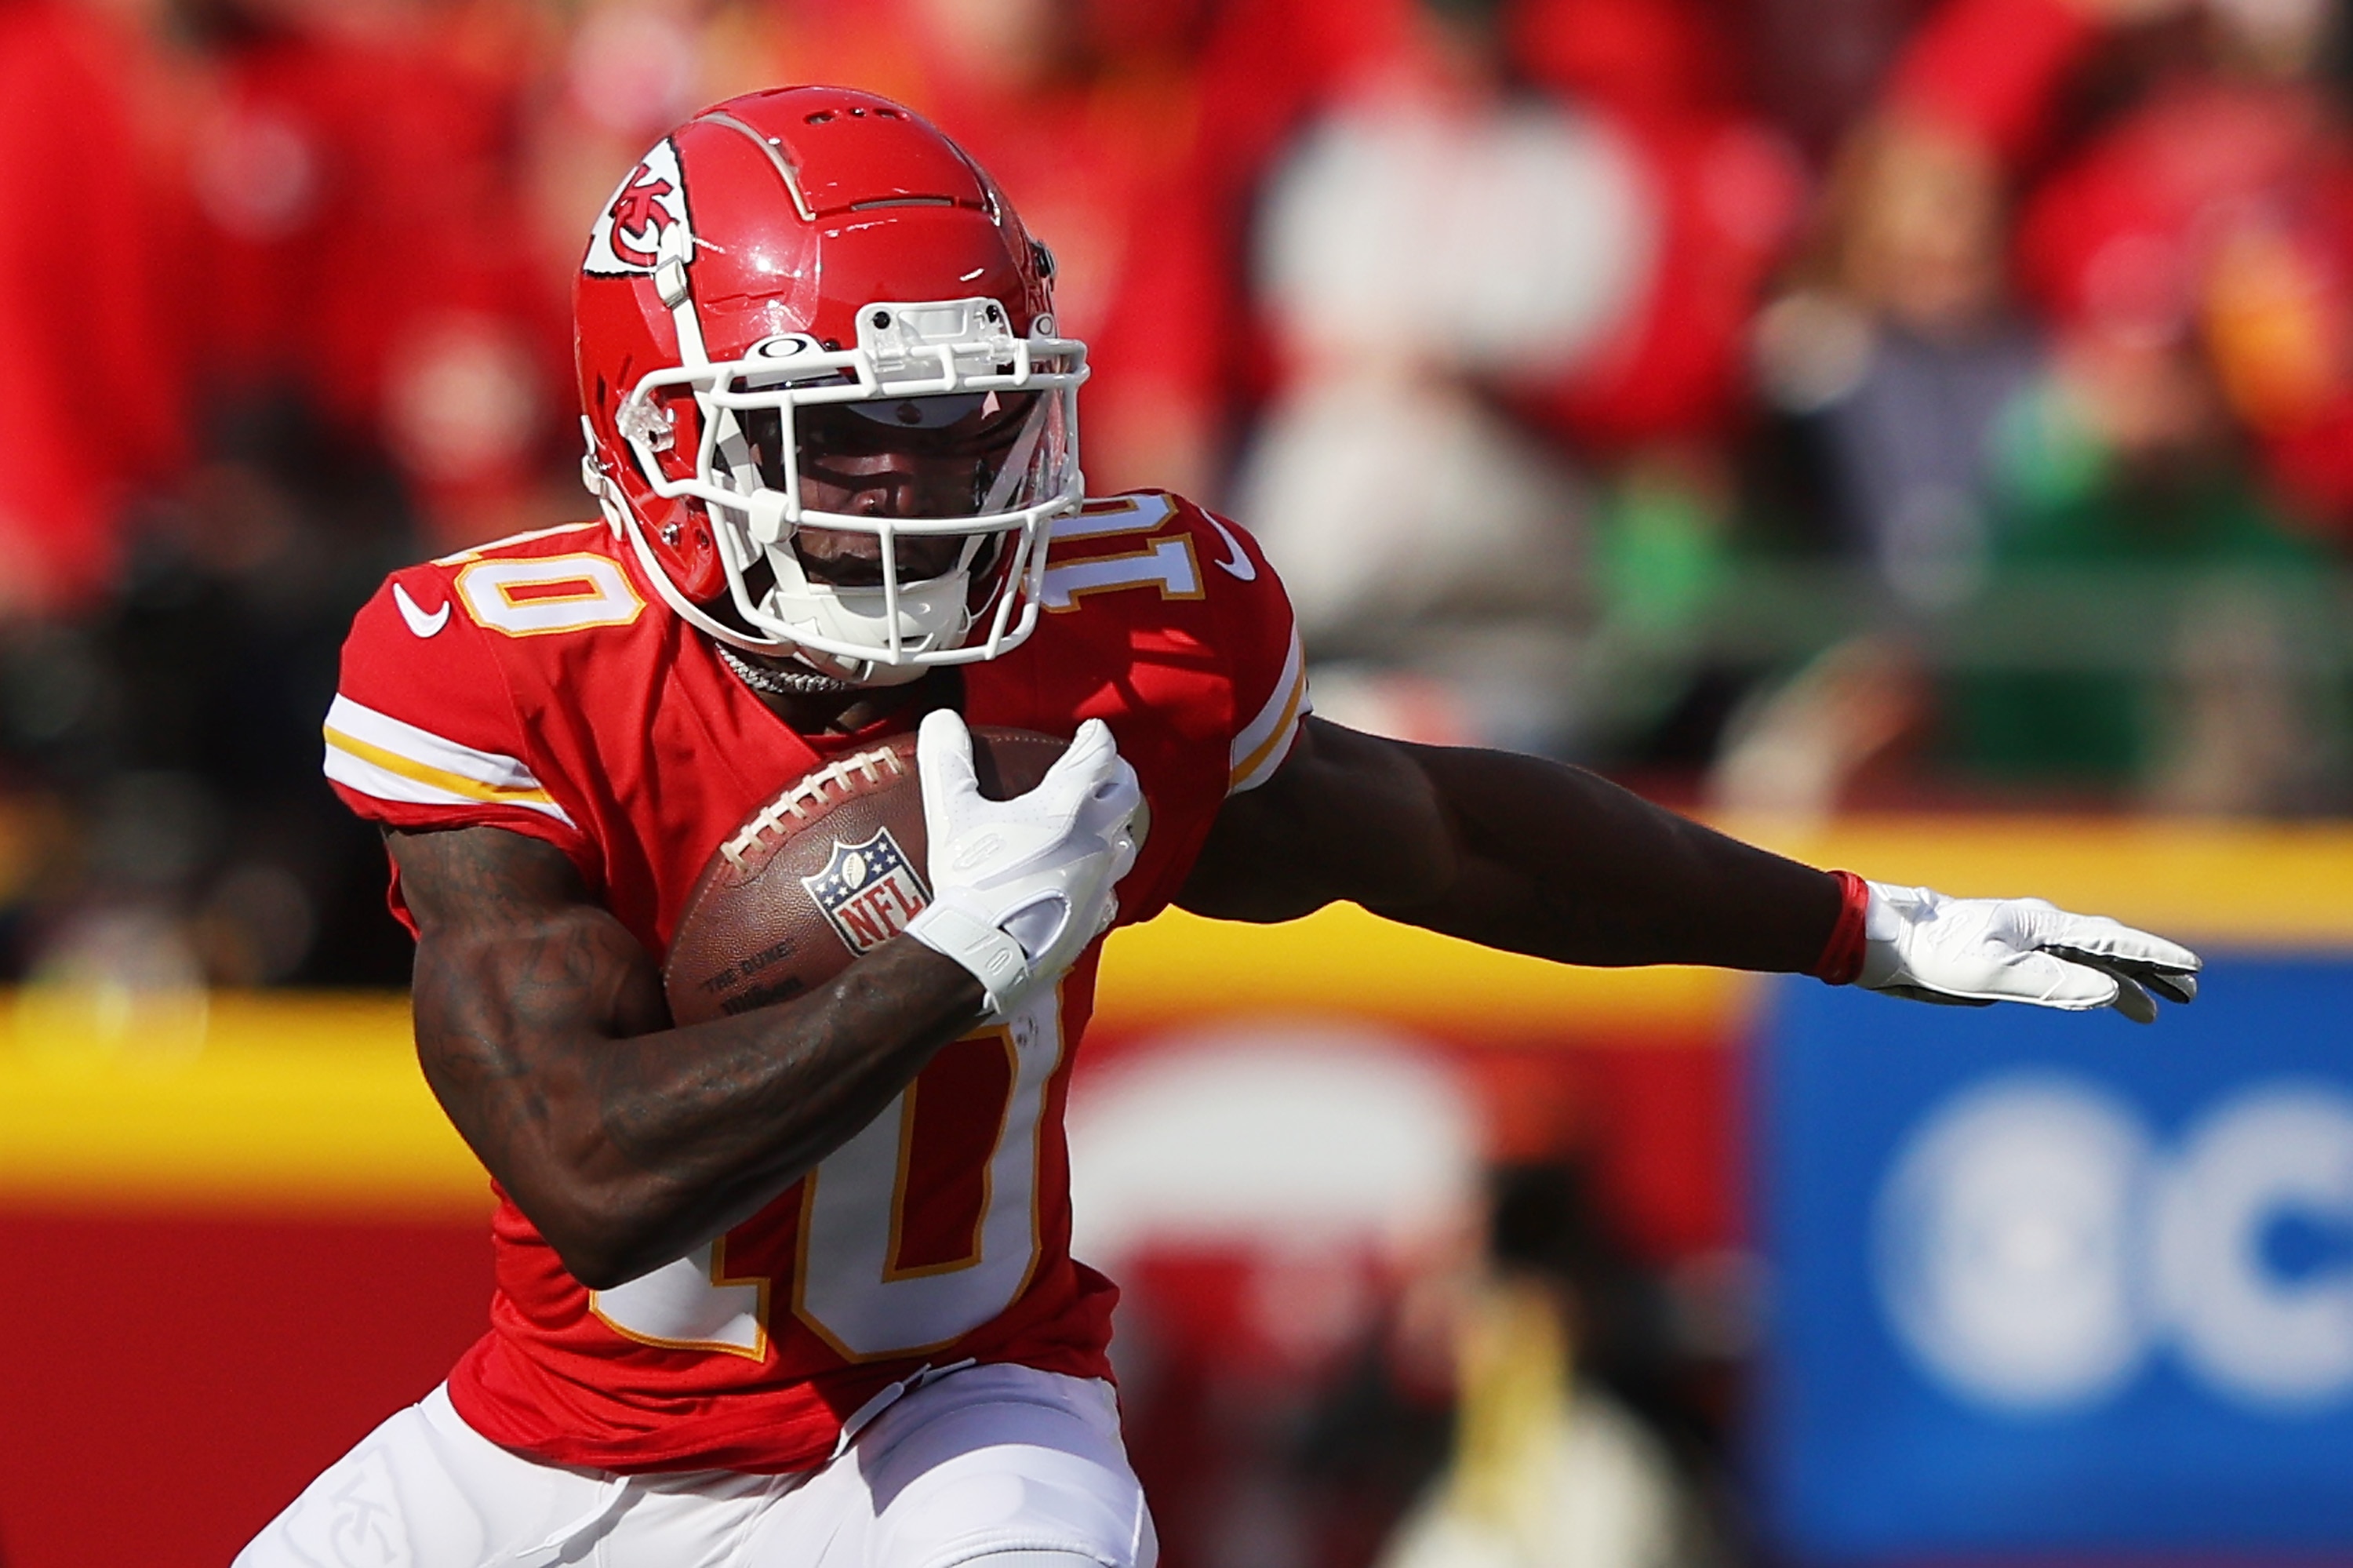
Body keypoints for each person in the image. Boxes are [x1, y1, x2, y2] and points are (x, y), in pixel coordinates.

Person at [242, 85, 2200, 1568]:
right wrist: (949, 964)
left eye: (964, 425)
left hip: (951, 1420)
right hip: (555, 1442)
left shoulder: (1117, 634)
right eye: (848, 431)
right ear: (666, 435)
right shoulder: (501, 669)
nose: (924, 486)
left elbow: (1441, 834)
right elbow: (590, 1165)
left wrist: (1855, 921)